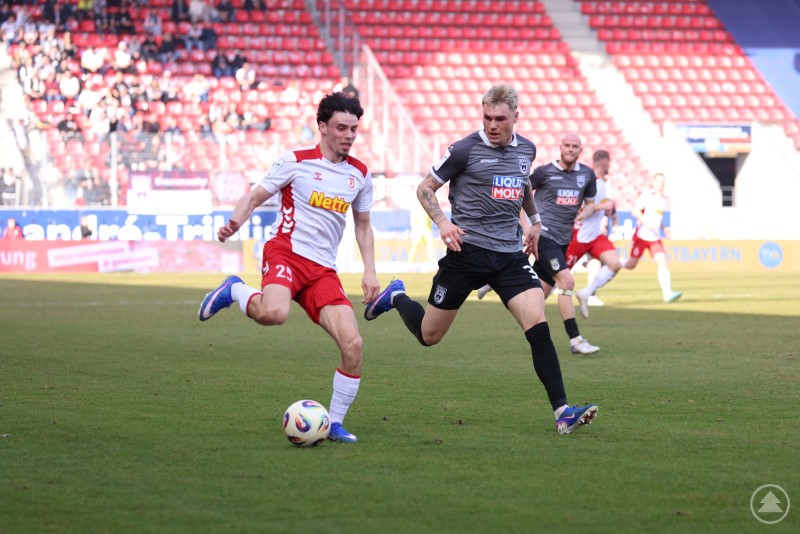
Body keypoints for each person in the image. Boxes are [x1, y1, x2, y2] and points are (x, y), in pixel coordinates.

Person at [362, 84, 598, 435]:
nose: (492, 124)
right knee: (429, 336)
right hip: (465, 254)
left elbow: (522, 188)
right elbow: (425, 188)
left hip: (509, 257)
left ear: (515, 117)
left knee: (537, 325)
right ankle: (396, 296)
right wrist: (443, 223)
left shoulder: (527, 150)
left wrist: (534, 223)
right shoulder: (464, 150)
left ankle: (562, 412)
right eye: (486, 117)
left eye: (500, 118)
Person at [198, 93, 379, 444]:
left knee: (353, 344)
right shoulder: (295, 162)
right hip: (286, 253)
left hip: (323, 269)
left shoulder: (359, 174)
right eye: (341, 128)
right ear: (322, 127)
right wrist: (236, 221)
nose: (349, 135)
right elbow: (253, 196)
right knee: (273, 314)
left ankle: (335, 424)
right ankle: (235, 289)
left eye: (354, 129)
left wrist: (369, 271)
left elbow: (362, 225)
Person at [476, 134, 601, 354]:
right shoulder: (545, 172)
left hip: (564, 239)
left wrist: (584, 213)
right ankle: (576, 340)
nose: (571, 149)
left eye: (575, 146)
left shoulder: (587, 174)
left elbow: (590, 203)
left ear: (581, 150)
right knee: (566, 281)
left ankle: (496, 281)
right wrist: (526, 225)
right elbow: (520, 193)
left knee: (537, 293)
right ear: (560, 147)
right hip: (545, 234)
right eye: (567, 145)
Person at [567, 149, 622, 319]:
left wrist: (606, 209)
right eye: (609, 163)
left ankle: (586, 293)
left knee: (615, 263)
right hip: (581, 235)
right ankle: (511, 285)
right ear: (604, 163)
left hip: (595, 236)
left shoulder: (602, 183)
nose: (609, 167)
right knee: (554, 276)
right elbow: (581, 210)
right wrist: (601, 207)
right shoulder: (591, 182)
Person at [622, 173, 683, 303]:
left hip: (654, 237)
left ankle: (667, 294)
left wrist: (664, 228)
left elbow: (657, 217)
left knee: (663, 262)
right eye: (659, 181)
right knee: (631, 265)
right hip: (642, 235)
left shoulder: (665, 199)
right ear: (654, 182)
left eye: (663, 181)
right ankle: (613, 262)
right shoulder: (647, 196)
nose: (661, 183)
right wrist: (646, 223)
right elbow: (636, 211)